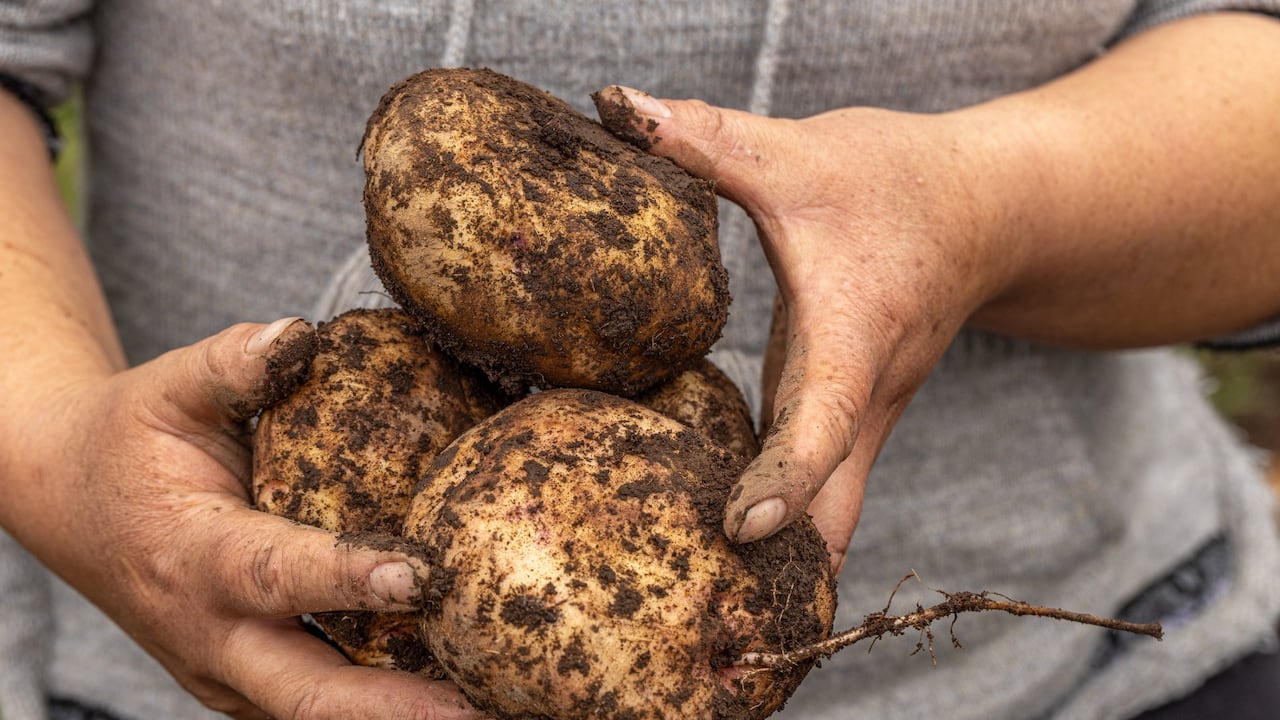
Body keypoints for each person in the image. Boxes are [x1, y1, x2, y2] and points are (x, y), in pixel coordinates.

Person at [3, 2, 1280, 719]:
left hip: (1083, 674)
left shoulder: (666, 394)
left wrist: (984, 207)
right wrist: (56, 444)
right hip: (168, 671)